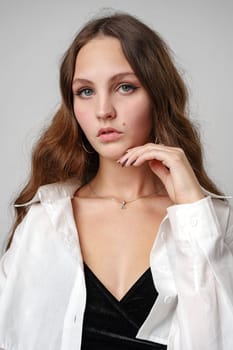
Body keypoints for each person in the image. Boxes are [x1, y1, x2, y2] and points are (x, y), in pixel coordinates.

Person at [0, 11, 232, 350]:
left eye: (125, 87)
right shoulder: (44, 223)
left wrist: (193, 212)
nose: (103, 110)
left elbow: (218, 338)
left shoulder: (213, 221)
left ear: (157, 94)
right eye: (85, 91)